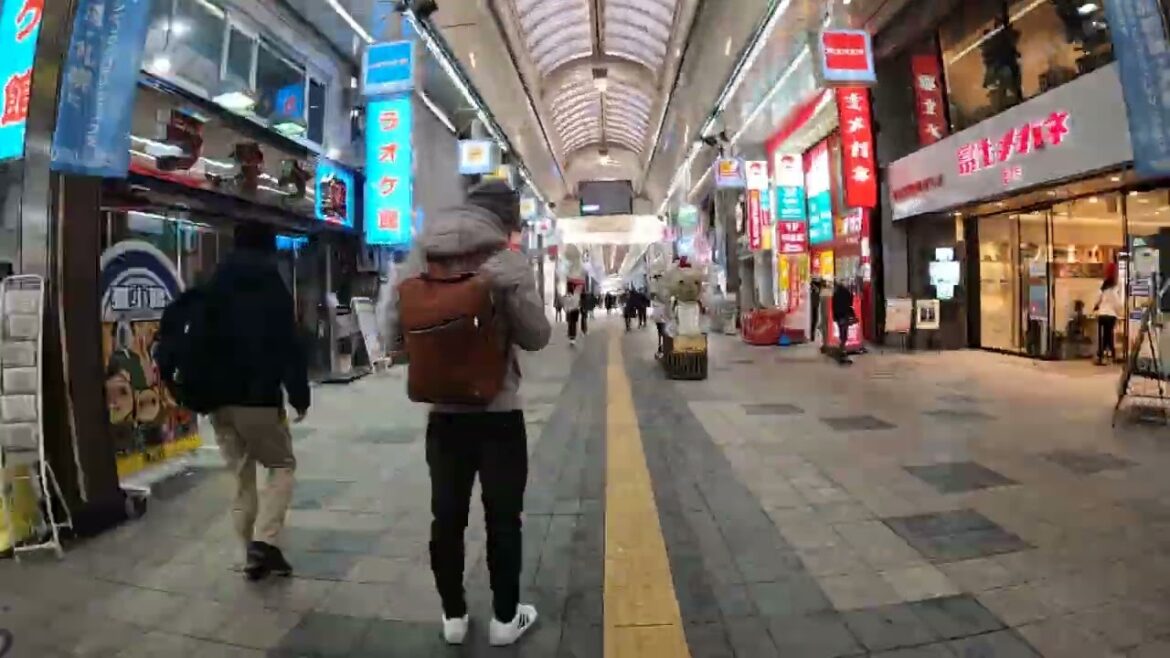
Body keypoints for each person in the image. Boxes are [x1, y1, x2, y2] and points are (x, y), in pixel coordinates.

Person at [392, 181, 551, 646]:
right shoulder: (507, 260)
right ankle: (506, 620)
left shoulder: (422, 253)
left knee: (447, 517)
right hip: (499, 412)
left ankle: (454, 617)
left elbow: (390, 329)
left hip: (444, 416)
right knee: (504, 518)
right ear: (507, 220)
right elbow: (536, 336)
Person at [207, 223, 309, 581]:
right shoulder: (272, 284)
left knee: (241, 476)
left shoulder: (214, 282)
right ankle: (264, 542)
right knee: (282, 465)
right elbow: (288, 344)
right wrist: (299, 393)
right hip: (259, 398)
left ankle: (250, 552)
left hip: (218, 400)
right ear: (268, 247)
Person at [1093, 265, 1124, 365]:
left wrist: (1096, 307)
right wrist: (1120, 312)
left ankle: (1101, 355)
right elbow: (1118, 304)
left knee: (1103, 336)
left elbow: (1097, 300)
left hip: (1101, 315)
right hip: (1110, 315)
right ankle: (1111, 355)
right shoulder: (1113, 291)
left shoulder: (1103, 288)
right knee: (1109, 335)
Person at [831, 280, 855, 365]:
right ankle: (843, 349)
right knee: (845, 332)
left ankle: (842, 349)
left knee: (842, 331)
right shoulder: (847, 292)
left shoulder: (836, 294)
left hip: (839, 316)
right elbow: (851, 302)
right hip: (845, 315)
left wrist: (834, 316)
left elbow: (833, 306)